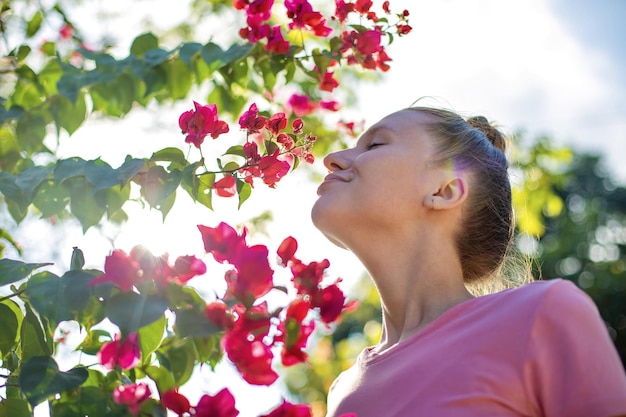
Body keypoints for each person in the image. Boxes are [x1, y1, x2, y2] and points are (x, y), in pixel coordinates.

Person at [311, 107, 626, 417]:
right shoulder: (342, 392)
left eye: (376, 144)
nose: (332, 159)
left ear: (445, 190)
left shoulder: (540, 314)